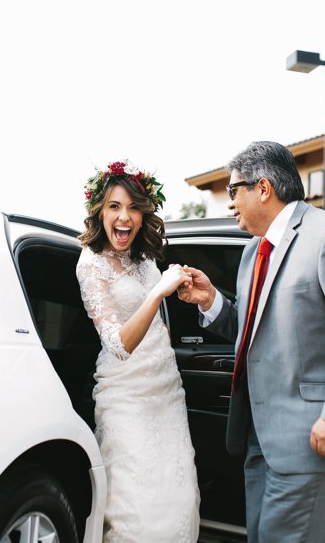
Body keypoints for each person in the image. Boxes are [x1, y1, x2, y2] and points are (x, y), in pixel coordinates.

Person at [178, 141, 325, 543]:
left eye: (233, 191)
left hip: (313, 440)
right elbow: (252, 332)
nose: (230, 204)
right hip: (260, 440)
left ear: (263, 188)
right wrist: (211, 301)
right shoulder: (251, 254)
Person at [76, 161, 200, 542]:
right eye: (114, 206)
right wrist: (157, 292)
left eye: (133, 207)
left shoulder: (146, 259)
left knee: (180, 496)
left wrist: (174, 291)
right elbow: (117, 345)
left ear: (144, 213)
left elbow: (155, 323)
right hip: (126, 395)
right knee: (137, 504)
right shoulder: (91, 265)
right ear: (100, 210)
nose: (124, 217)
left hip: (166, 391)